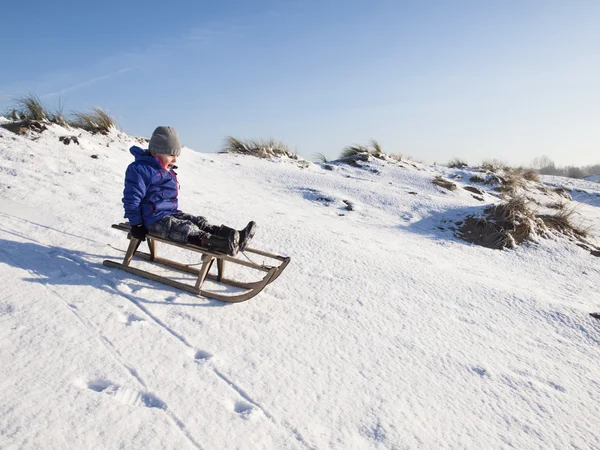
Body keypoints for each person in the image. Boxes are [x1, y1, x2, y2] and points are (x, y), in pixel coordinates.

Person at [122, 126, 256, 256]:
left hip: (171, 212)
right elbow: (132, 199)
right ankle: (223, 244)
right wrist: (136, 224)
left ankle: (236, 236)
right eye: (171, 155)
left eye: (176, 155)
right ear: (156, 152)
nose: (174, 160)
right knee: (184, 229)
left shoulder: (166, 170)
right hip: (151, 220)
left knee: (197, 221)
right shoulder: (139, 169)